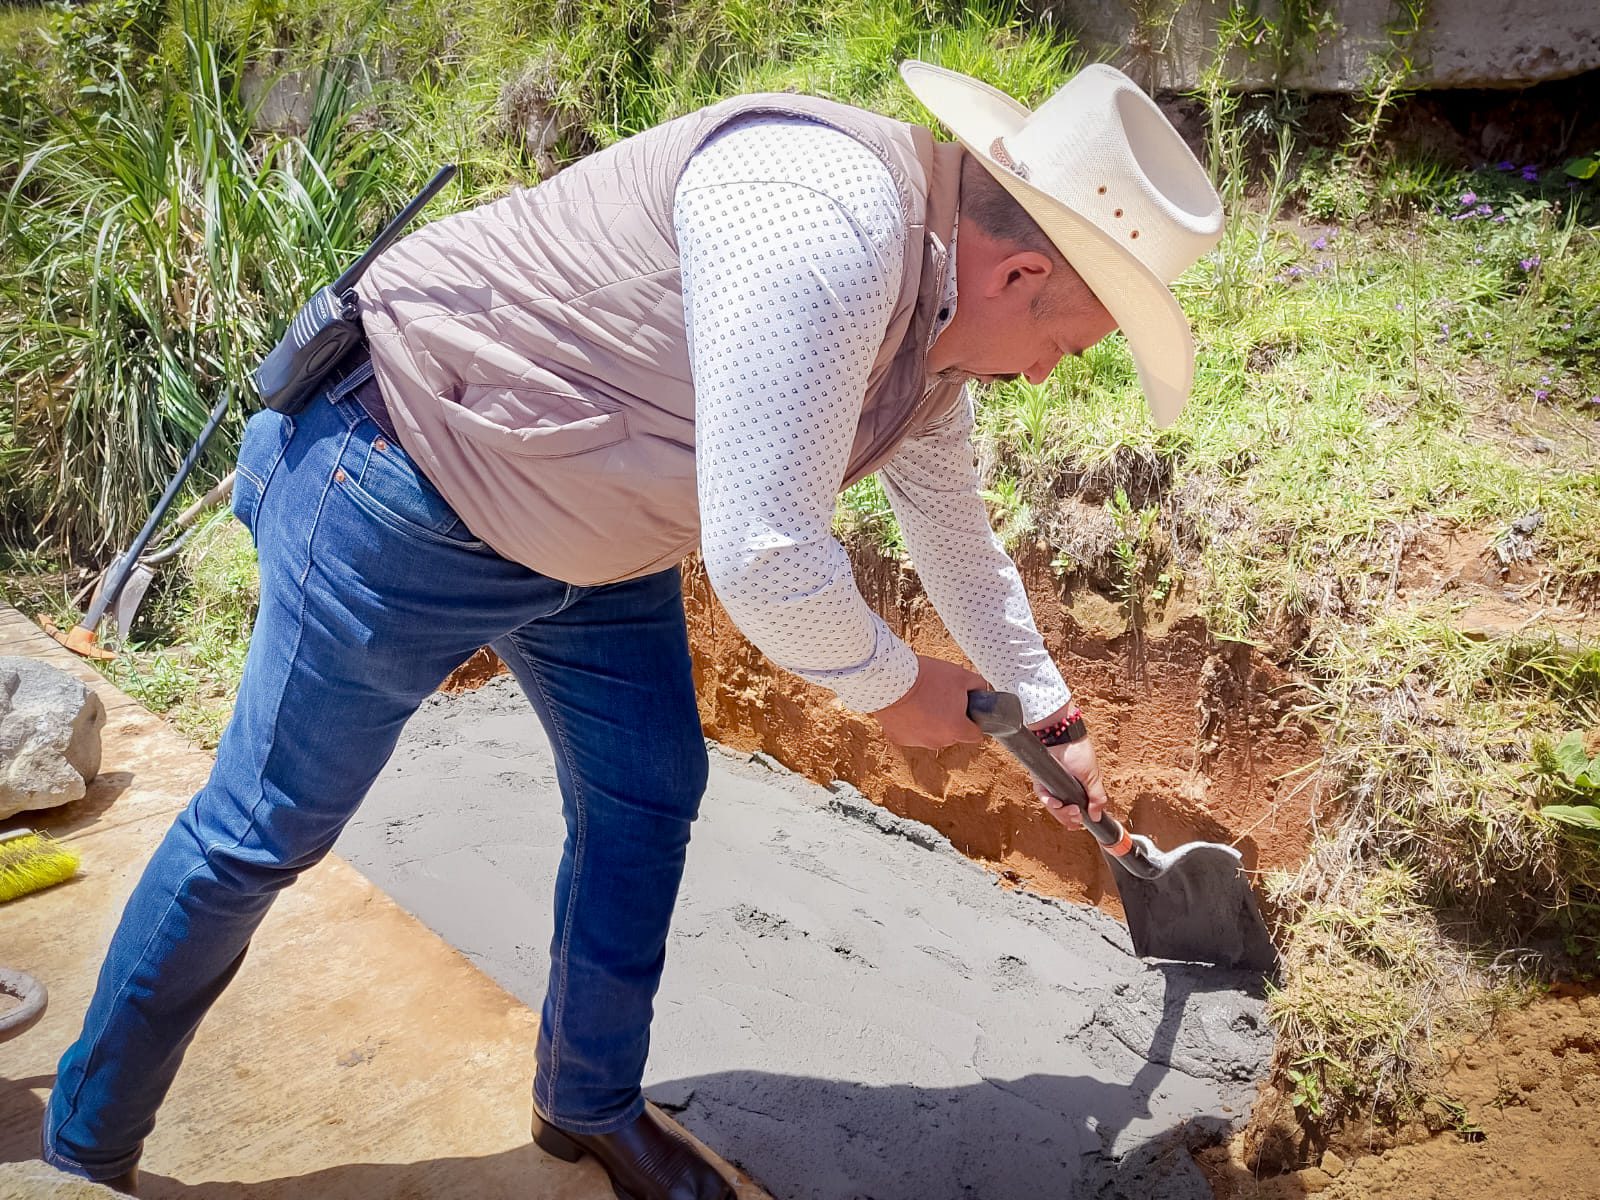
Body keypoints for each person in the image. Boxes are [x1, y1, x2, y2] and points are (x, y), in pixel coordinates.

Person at [42, 58, 1222, 1200]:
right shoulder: (823, 218)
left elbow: (951, 532)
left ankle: (587, 1099)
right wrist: (891, 684)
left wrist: (1047, 705)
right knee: (265, 829)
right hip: (408, 480)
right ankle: (88, 1142)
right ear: (1019, 275)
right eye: (1070, 344)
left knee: (645, 791)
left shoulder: (938, 340)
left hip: (594, 546)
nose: (1054, 374)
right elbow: (764, 555)